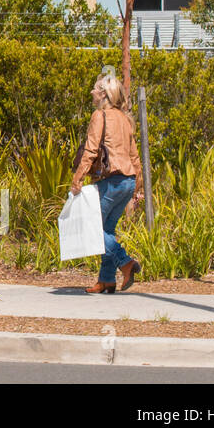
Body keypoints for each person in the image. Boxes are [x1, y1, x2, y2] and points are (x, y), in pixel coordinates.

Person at [70, 72, 144, 294]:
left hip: (112, 181)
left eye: (95, 88)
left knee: (91, 227)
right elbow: (135, 158)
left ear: (102, 93)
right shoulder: (125, 119)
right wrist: (137, 189)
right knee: (107, 230)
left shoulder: (99, 116)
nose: (92, 92)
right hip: (128, 181)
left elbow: (91, 150)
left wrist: (77, 179)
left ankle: (126, 262)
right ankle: (107, 280)